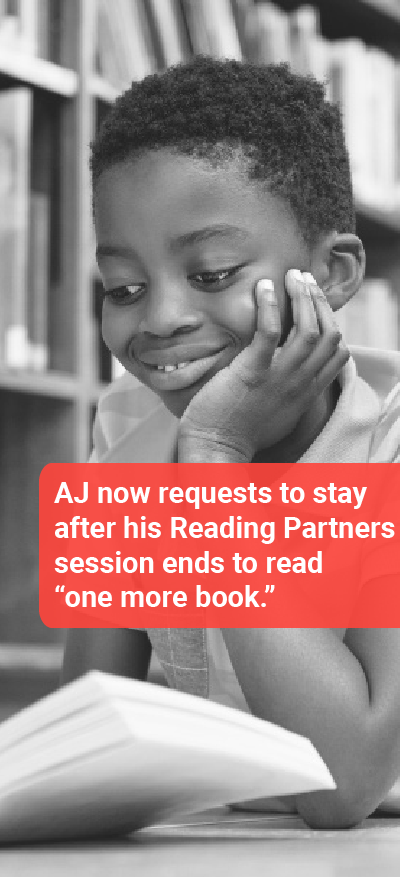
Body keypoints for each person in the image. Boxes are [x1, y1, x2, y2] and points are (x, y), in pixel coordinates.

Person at [62, 58, 400, 828]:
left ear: (335, 273)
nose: (159, 319)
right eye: (122, 287)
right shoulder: (126, 425)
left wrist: (213, 459)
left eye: (212, 273)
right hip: (225, 841)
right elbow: (80, 742)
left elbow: (342, 784)